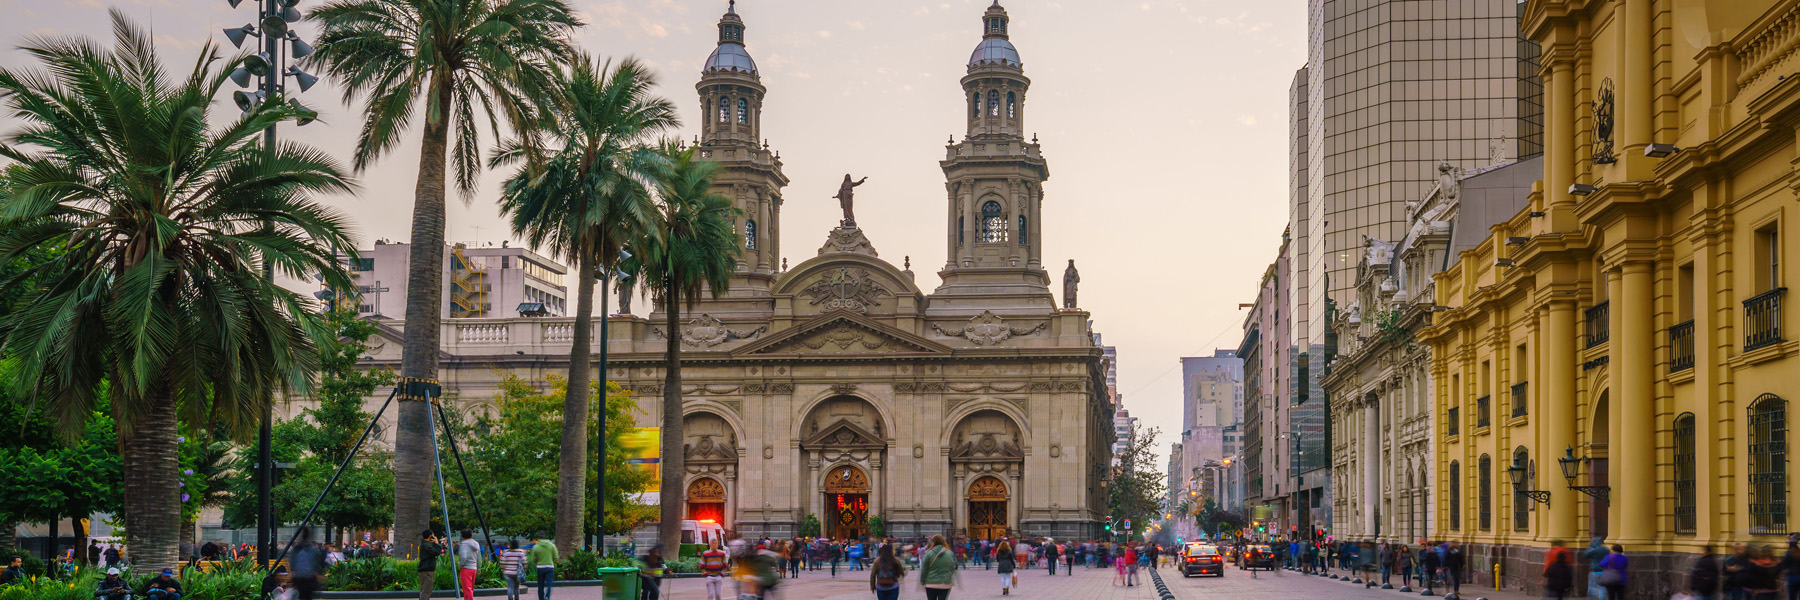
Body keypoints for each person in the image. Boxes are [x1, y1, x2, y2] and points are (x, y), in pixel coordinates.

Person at [291, 529, 326, 600]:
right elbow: (317, 564)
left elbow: (292, 564)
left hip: (298, 578)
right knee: (309, 596)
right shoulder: (313, 549)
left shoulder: (296, 549)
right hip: (309, 578)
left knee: (301, 595)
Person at [919, 535, 957, 600]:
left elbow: (924, 570)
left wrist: (922, 582)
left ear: (933, 542)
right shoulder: (950, 553)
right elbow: (954, 567)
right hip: (945, 583)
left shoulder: (928, 554)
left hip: (930, 584)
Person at [527, 535, 557, 600]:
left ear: (539, 539)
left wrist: (538, 561)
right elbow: (556, 557)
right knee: (549, 583)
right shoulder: (552, 545)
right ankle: (547, 596)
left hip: (540, 567)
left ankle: (541, 598)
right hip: (550, 567)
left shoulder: (536, 547)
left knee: (540, 584)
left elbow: (533, 559)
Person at [418, 530, 445, 600]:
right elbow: (436, 552)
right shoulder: (426, 545)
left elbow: (434, 547)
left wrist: (437, 542)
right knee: (426, 590)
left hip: (426, 569)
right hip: (427, 570)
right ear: (430, 536)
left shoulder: (426, 544)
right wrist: (436, 543)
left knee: (424, 589)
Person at [455, 530, 481, 600]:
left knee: (466, 588)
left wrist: (460, 564)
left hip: (466, 568)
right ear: (471, 535)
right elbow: (479, 557)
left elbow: (463, 556)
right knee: (471, 588)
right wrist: (479, 568)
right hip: (474, 568)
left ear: (462, 536)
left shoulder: (464, 545)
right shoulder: (476, 544)